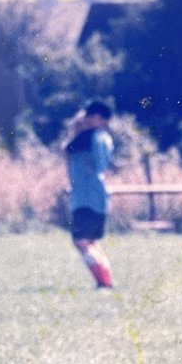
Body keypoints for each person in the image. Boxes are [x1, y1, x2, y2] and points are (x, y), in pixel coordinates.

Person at [65, 99, 115, 289]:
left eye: (90, 116)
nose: (85, 119)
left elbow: (101, 165)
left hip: (91, 198)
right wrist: (77, 129)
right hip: (82, 197)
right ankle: (105, 279)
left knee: (81, 240)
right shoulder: (82, 137)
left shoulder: (99, 138)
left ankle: (104, 281)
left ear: (100, 118)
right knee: (89, 241)